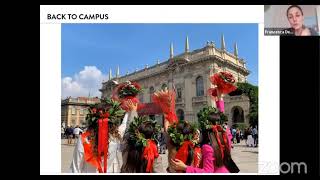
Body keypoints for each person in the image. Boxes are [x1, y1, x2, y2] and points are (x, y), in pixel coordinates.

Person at [70, 99, 137, 173]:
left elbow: (76, 167)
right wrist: (130, 111)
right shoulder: (115, 136)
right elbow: (124, 125)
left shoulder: (84, 138)